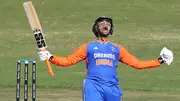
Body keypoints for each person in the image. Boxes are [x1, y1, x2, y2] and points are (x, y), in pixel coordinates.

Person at [37, 16, 173, 101]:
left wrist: (160, 60)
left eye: (108, 23)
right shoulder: (88, 47)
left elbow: (137, 64)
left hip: (112, 87)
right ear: (96, 28)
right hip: (93, 86)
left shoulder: (117, 49)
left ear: (111, 29)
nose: (105, 25)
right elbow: (68, 61)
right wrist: (51, 57)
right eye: (101, 23)